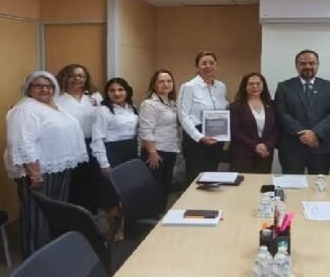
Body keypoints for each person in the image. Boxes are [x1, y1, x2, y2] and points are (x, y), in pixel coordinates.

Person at [4, 71, 88, 258]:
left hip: (58, 167)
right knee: (37, 217)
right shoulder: (24, 109)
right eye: (38, 86)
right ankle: (36, 258)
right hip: (38, 172)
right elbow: (22, 142)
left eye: (48, 86)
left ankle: (53, 253)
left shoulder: (53, 105)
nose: (44, 89)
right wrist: (34, 174)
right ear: (28, 89)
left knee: (55, 213)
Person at [275, 49, 330, 174]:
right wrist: (304, 134)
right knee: (291, 183)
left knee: (319, 182)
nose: (307, 66)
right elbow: (282, 114)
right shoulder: (284, 86)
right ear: (296, 66)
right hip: (291, 146)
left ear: (318, 65)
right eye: (303, 63)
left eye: (311, 63)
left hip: (320, 145)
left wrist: (315, 133)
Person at [91, 77, 139, 241]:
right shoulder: (103, 110)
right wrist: (104, 163)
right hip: (111, 153)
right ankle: (113, 231)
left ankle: (124, 228)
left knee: (128, 195)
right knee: (111, 196)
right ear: (107, 93)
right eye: (112, 90)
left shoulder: (133, 108)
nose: (117, 93)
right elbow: (97, 139)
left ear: (127, 91)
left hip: (130, 153)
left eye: (120, 90)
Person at [55, 64, 103, 214]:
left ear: (86, 78)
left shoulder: (94, 97)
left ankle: (91, 216)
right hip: (68, 145)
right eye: (72, 76)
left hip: (92, 144)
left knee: (92, 182)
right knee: (73, 184)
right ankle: (73, 217)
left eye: (81, 76)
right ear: (64, 78)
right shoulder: (56, 98)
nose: (77, 79)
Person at [177, 51, 228, 185]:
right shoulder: (188, 86)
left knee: (212, 176)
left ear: (216, 65)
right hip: (196, 138)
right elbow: (183, 116)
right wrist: (199, 137)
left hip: (217, 135)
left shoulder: (221, 86)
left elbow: (224, 108)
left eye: (211, 63)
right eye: (203, 63)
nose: (208, 66)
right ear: (197, 66)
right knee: (196, 178)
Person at [138, 69, 180, 200]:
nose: (166, 84)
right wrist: (152, 152)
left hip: (170, 149)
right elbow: (146, 130)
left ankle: (162, 211)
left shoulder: (172, 103)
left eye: (169, 81)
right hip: (156, 152)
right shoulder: (149, 104)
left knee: (165, 186)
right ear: (154, 85)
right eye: (161, 81)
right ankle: (152, 213)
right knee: (154, 188)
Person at [229, 72, 278, 174]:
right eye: (251, 84)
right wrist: (256, 146)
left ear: (263, 85)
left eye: (258, 83)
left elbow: (276, 129)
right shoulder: (235, 107)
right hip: (242, 154)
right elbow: (235, 131)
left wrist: (266, 145)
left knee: (262, 182)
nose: (255, 86)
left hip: (265, 154)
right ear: (245, 86)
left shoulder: (271, 105)